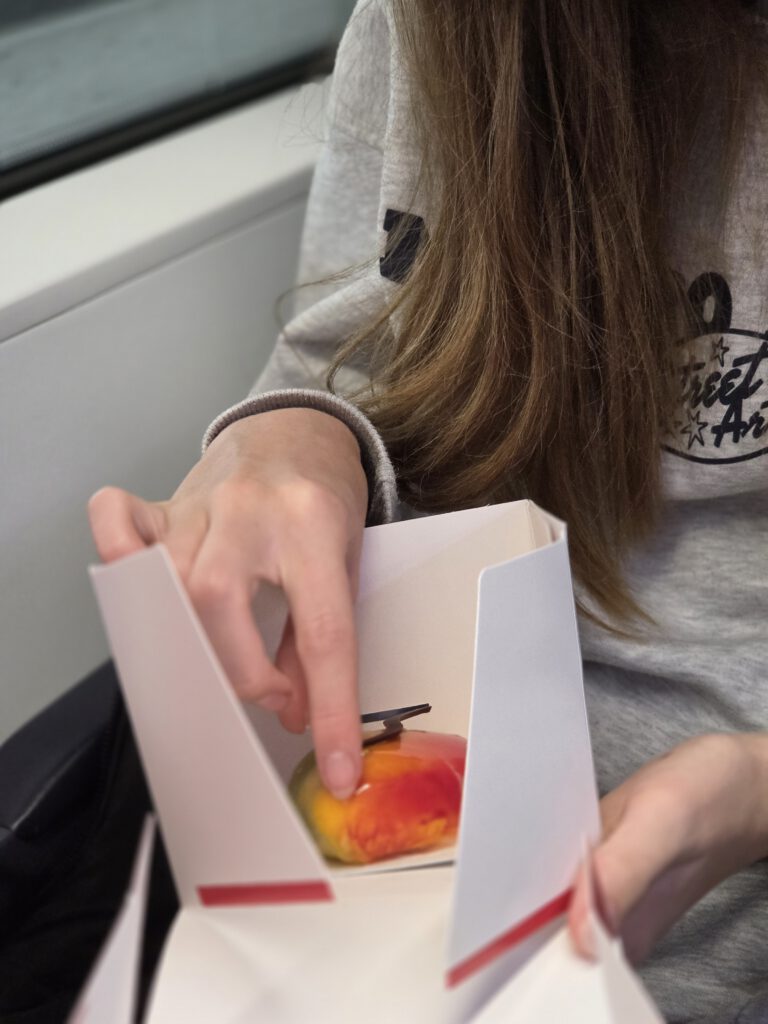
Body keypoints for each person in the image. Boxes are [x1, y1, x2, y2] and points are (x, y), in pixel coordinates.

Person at [88, 1, 768, 1020]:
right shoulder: (425, 22)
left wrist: (753, 792)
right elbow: (360, 350)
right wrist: (297, 433)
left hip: (709, 927)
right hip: (380, 862)